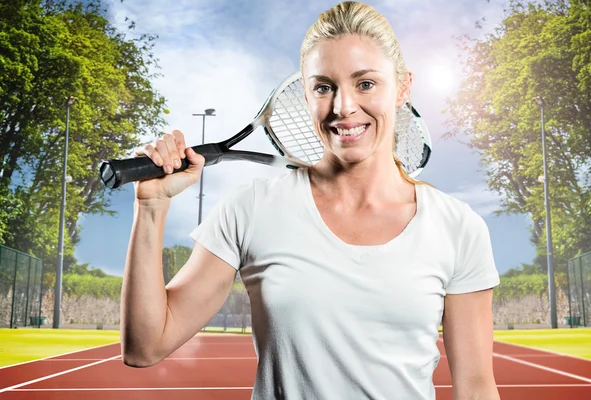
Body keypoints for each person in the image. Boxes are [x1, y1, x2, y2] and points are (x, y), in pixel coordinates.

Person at [120, 2, 501, 399]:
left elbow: (475, 388)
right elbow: (145, 346)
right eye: (324, 87)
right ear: (306, 95)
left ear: (403, 87)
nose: (343, 107)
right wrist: (150, 208)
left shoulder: (457, 228)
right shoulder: (249, 208)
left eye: (365, 83)